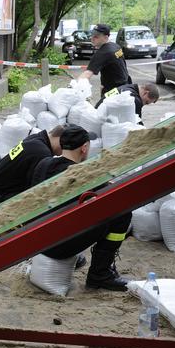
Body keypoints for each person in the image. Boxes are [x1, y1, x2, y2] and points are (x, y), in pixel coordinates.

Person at [30, 125, 131, 291]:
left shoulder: (44, 164)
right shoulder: (82, 174)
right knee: (122, 215)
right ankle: (101, 274)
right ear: (84, 148)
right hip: (58, 246)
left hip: (35, 238)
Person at [0, 125, 65, 210]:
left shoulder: (35, 139)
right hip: (0, 201)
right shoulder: (42, 152)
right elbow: (34, 188)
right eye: (65, 145)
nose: (63, 151)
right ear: (59, 138)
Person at [78, 24, 131, 97]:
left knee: (100, 107)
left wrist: (73, 86)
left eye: (96, 36)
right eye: (92, 35)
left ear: (106, 37)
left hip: (114, 91)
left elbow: (87, 74)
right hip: (126, 86)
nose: (92, 38)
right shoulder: (115, 46)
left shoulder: (103, 53)